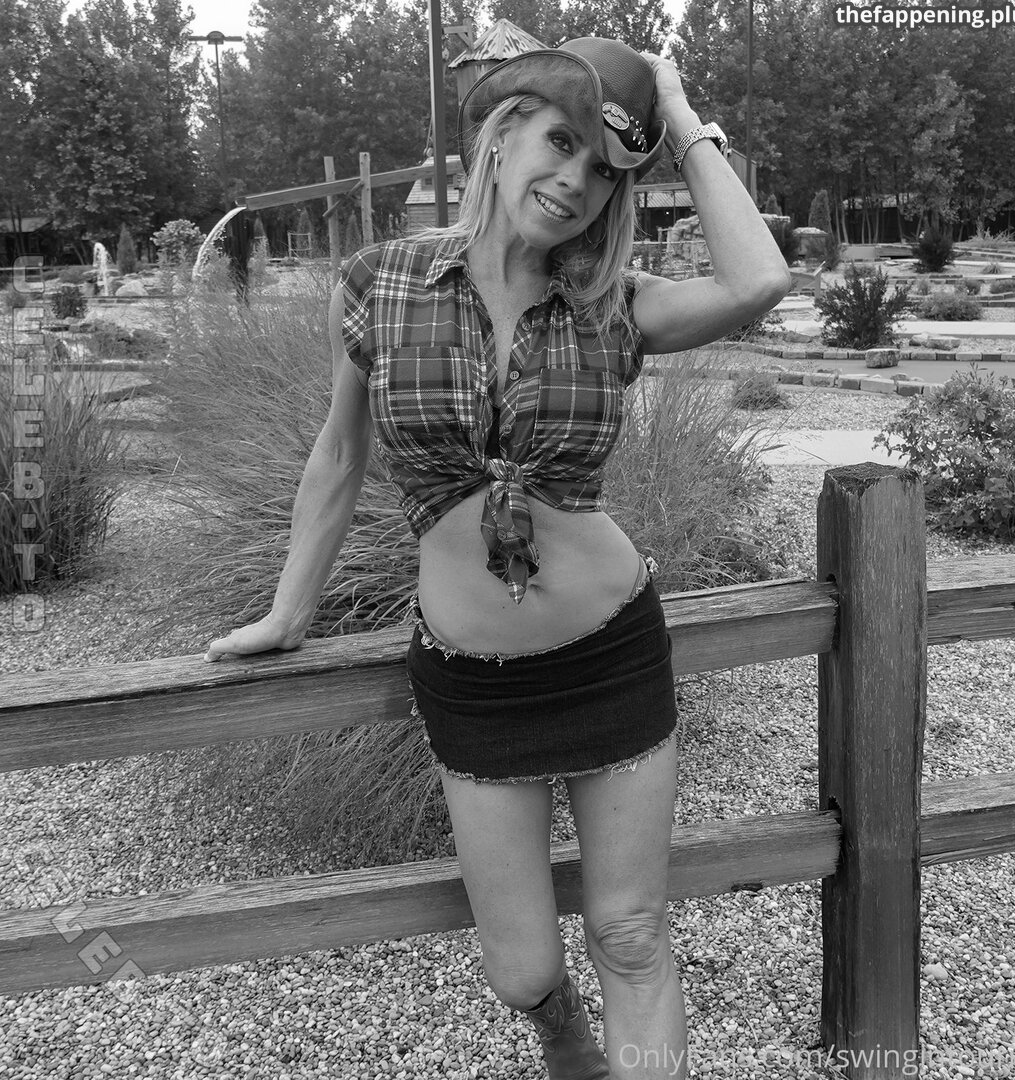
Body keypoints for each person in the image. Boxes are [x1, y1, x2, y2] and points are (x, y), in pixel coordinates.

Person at [205, 37, 790, 1080]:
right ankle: (567, 1047)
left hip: (611, 654)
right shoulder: (377, 282)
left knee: (630, 932)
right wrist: (289, 614)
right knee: (521, 970)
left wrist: (676, 109)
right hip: (472, 682)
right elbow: (337, 457)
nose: (573, 183)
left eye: (602, 172)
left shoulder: (616, 302)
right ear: (506, 130)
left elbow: (759, 280)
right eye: (561, 143)